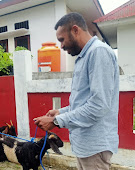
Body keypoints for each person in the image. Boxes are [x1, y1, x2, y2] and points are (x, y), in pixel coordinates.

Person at [34, 12, 119, 170]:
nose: (61, 46)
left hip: (95, 146)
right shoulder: (84, 56)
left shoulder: (98, 52)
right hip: (86, 145)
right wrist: (60, 112)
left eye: (62, 39)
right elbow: (84, 102)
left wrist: (55, 121)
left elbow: (98, 105)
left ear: (75, 30)